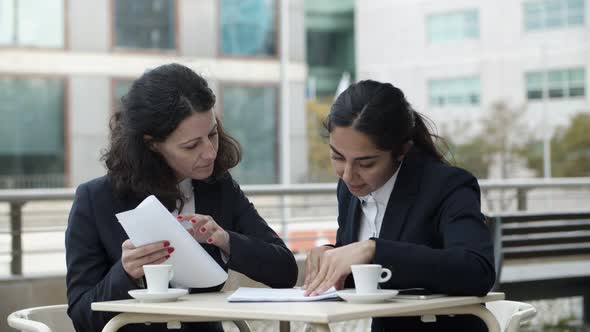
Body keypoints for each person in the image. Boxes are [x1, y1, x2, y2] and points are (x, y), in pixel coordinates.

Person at [65, 63, 298, 332]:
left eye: (212, 134)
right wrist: (126, 272)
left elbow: (286, 271)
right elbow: (82, 317)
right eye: (191, 145)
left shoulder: (218, 187)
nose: (210, 152)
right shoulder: (95, 200)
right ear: (151, 145)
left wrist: (225, 240)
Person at [303, 80, 495, 331]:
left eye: (366, 163)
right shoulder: (349, 190)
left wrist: (373, 250)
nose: (348, 175)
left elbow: (477, 270)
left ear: (402, 150)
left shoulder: (447, 186)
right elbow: (365, 280)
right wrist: (331, 256)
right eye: (338, 157)